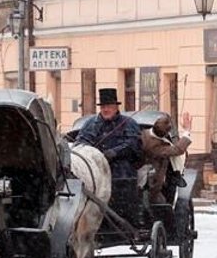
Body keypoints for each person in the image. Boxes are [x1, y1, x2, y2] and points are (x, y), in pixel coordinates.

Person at [76, 88, 143, 222]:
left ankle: (128, 217)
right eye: (103, 107)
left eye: (109, 107)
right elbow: (81, 141)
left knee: (123, 180)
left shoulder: (129, 124)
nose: (106, 110)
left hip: (120, 169)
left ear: (116, 107)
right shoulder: (90, 124)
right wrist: (93, 154)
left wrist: (114, 153)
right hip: (95, 168)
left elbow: (133, 145)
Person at [141, 111, 193, 204]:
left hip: (151, 180)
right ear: (165, 134)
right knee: (162, 206)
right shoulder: (153, 145)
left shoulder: (145, 133)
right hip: (151, 184)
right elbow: (178, 150)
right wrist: (187, 131)